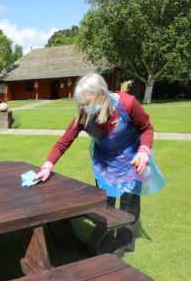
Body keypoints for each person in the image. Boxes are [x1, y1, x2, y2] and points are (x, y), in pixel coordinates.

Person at [34, 73, 166, 258]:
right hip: (105, 162)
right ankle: (102, 239)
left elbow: (146, 128)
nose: (84, 107)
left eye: (87, 102)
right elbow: (65, 140)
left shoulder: (128, 104)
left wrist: (144, 151)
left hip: (132, 160)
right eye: (81, 103)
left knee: (129, 205)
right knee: (104, 202)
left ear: (102, 94)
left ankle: (124, 242)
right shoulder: (83, 114)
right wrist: (47, 165)